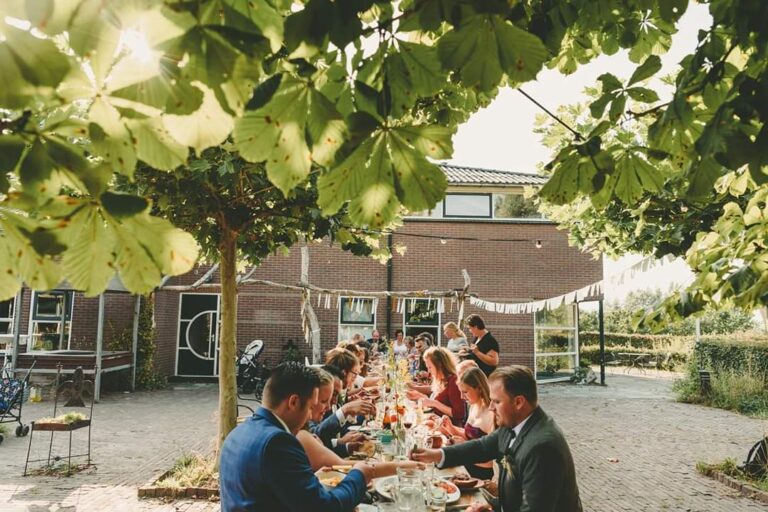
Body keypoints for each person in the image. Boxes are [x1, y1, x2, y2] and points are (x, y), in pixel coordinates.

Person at [411, 365, 582, 512]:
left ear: (519, 402)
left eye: (496, 402)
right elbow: (482, 447)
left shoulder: (542, 447)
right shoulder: (515, 423)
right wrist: (435, 455)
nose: (491, 407)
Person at [220, 362, 375, 512]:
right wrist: (359, 475)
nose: (309, 417)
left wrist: (309, 477)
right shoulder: (278, 442)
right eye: (311, 407)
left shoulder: (236, 433)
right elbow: (324, 507)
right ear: (293, 402)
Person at [438, 367, 495, 479]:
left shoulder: (492, 414)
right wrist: (450, 427)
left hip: (480, 474)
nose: (461, 397)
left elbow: (490, 461)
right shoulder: (473, 405)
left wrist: (462, 448)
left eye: (465, 392)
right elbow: (469, 435)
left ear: (479, 388)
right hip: (465, 464)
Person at [406, 347, 465, 426]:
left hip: (449, 429)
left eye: (430, 367)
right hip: (436, 423)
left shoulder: (454, 381)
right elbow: (436, 400)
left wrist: (434, 403)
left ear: (439, 365)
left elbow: (459, 414)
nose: (429, 371)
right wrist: (420, 396)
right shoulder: (440, 379)